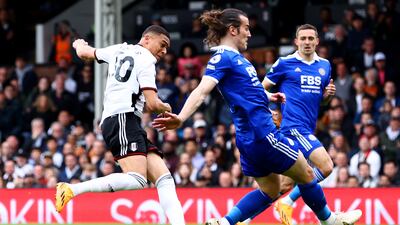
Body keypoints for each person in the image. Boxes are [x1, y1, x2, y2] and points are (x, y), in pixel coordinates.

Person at [152, 9, 361, 225]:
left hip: (248, 138)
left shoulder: (237, 60)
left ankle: (224, 222)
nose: (249, 34)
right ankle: (330, 220)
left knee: (270, 190)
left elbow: (247, 92)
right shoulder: (223, 58)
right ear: (233, 30)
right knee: (307, 174)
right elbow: (202, 90)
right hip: (263, 134)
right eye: (246, 28)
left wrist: (269, 97)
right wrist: (181, 117)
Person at [55, 25, 185, 225]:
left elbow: (85, 53)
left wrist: (78, 44)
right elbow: (152, 103)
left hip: (121, 120)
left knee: (165, 179)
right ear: (147, 39)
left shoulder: (119, 49)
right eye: (163, 44)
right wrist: (168, 108)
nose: (164, 51)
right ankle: (71, 189)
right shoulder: (147, 60)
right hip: (123, 118)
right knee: (138, 179)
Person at [258, 24, 336, 225]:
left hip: (308, 128)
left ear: (317, 41)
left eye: (311, 38)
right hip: (292, 127)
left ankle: (244, 218)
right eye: (303, 39)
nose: (307, 42)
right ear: (296, 41)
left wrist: (326, 97)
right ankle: (288, 203)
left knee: (283, 185)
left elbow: (321, 99)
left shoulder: (325, 66)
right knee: (326, 166)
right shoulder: (285, 63)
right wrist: (269, 110)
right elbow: (259, 89)